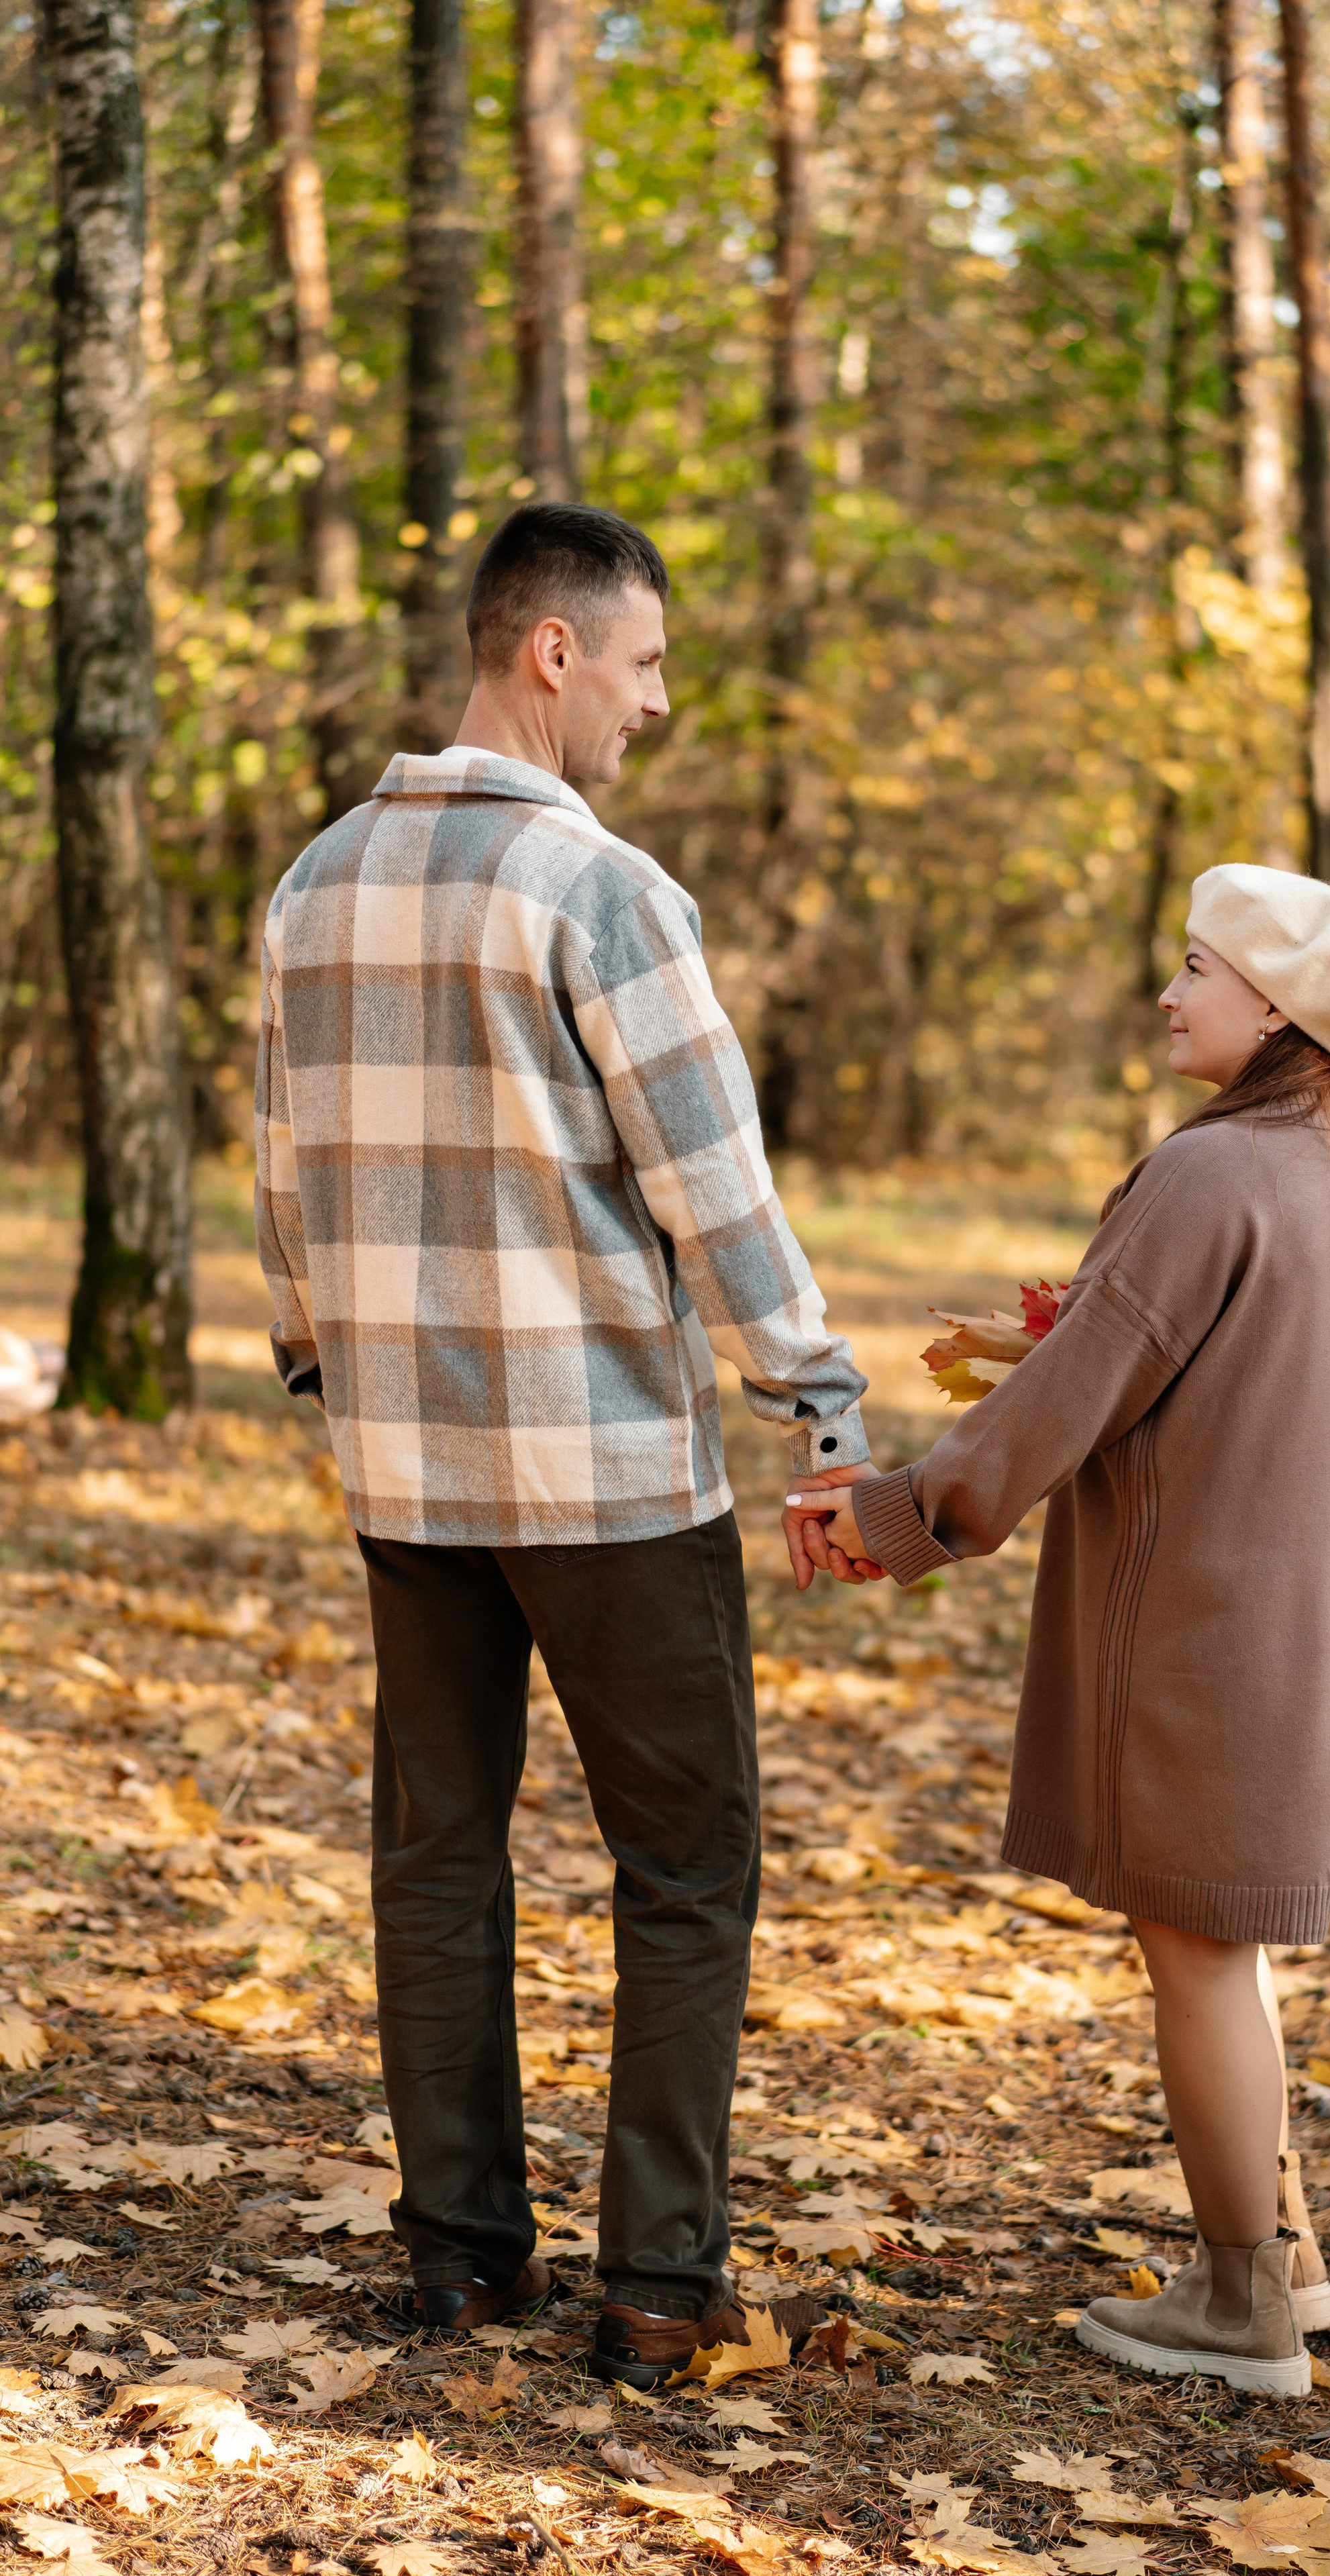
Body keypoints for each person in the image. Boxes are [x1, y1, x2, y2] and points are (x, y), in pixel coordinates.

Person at [254, 502, 878, 2385]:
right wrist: (818, 1385)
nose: (655, 700)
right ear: (551, 651)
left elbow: (286, 1168)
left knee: (438, 1854)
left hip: (409, 1473)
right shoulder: (601, 889)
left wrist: (319, 1357)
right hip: (606, 1474)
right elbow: (713, 1178)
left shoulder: (317, 881)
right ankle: (661, 2281)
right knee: (688, 1861)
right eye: (644, 660)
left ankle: (457, 2258)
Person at [785, 865, 1330, 2397]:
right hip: (1319, 1619)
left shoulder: (1207, 1174)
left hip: (1207, 1629)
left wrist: (894, 1516)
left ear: (1269, 1003)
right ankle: (1292, 2265)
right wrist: (1080, 1323)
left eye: (1193, 967)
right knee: (1223, 1941)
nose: (1168, 992)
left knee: (1191, 1955)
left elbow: (1069, 1412)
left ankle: (1239, 2307)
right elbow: (1222, 1357)